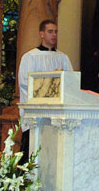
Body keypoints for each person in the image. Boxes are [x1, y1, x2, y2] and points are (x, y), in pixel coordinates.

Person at [18, 20, 73, 159]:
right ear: (41, 34)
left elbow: (70, 83)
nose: (54, 35)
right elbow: (25, 84)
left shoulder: (63, 58)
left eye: (56, 32)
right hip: (37, 114)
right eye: (50, 32)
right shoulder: (30, 57)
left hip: (57, 115)